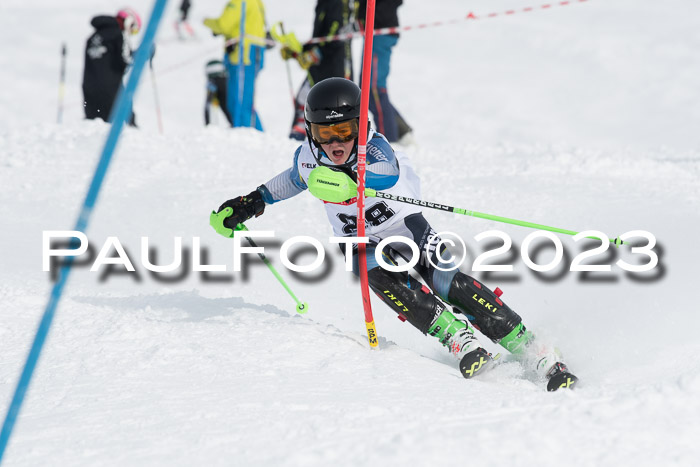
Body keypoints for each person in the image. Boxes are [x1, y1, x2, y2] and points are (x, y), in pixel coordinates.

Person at [209, 78, 578, 391]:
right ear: (310, 131)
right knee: (378, 278)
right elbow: (289, 182)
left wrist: (353, 180)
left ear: (358, 125)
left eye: (344, 131)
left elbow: (387, 171)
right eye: (325, 133)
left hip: (405, 225)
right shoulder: (308, 158)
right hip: (360, 239)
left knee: (447, 281)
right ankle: (455, 336)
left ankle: (530, 347)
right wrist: (251, 202)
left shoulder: (374, 147)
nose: (336, 142)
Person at [278, 0, 355, 141]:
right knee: (304, 97)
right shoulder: (324, 3)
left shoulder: (337, 4)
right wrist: (298, 51)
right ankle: (301, 135)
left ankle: (305, 135)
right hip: (321, 67)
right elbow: (320, 37)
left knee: (320, 102)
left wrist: (314, 53)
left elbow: (335, 36)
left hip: (334, 67)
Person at [204, 0, 267, 130]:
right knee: (239, 102)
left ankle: (252, 136)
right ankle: (253, 136)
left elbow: (223, 25)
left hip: (243, 56)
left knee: (239, 103)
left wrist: (203, 21)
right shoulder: (256, 3)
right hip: (249, 55)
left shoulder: (240, 1)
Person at [357, 0, 413, 144]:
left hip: (380, 28)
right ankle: (401, 131)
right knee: (366, 90)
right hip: (376, 28)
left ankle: (389, 139)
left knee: (373, 88)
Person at [82, 7, 141, 126]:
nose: (130, 33)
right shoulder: (117, 35)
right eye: (133, 29)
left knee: (94, 126)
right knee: (125, 125)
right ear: (128, 20)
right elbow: (124, 61)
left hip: (89, 89)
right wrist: (142, 54)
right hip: (111, 90)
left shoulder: (93, 37)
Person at [204, 59, 233, 126]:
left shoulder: (212, 83)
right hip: (223, 82)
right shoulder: (225, 81)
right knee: (226, 106)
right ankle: (234, 124)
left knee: (211, 104)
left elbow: (207, 107)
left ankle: (209, 126)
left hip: (214, 82)